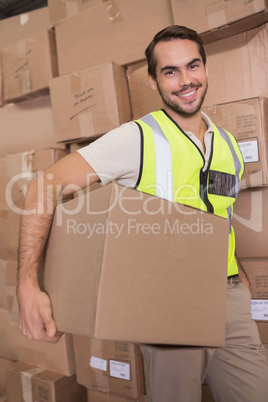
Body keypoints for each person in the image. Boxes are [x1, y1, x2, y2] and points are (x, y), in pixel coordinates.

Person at [16, 25, 268, 401]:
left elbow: (221, 216)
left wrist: (241, 282)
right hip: (168, 304)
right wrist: (27, 283)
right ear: (153, 81)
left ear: (206, 69)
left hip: (228, 298)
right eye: (170, 71)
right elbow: (45, 185)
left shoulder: (227, 145)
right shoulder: (137, 138)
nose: (185, 80)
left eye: (192, 66)